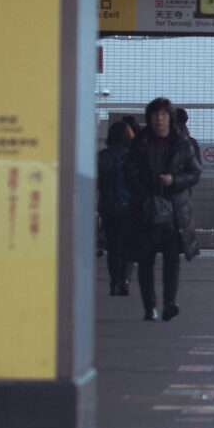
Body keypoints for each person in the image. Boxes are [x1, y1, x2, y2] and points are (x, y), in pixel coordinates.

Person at [125, 98, 201, 322]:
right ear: (149, 118)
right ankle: (150, 306)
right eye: (155, 114)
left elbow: (195, 172)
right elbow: (128, 172)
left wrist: (174, 180)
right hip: (145, 209)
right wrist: (142, 193)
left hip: (174, 211)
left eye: (164, 115)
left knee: (171, 259)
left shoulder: (182, 143)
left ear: (170, 118)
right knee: (145, 260)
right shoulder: (140, 142)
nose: (159, 119)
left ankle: (169, 303)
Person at [96, 119, 137, 297]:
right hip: (130, 207)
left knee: (113, 247)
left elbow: (97, 182)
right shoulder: (134, 156)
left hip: (109, 206)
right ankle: (125, 280)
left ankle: (114, 283)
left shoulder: (103, 157)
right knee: (128, 245)